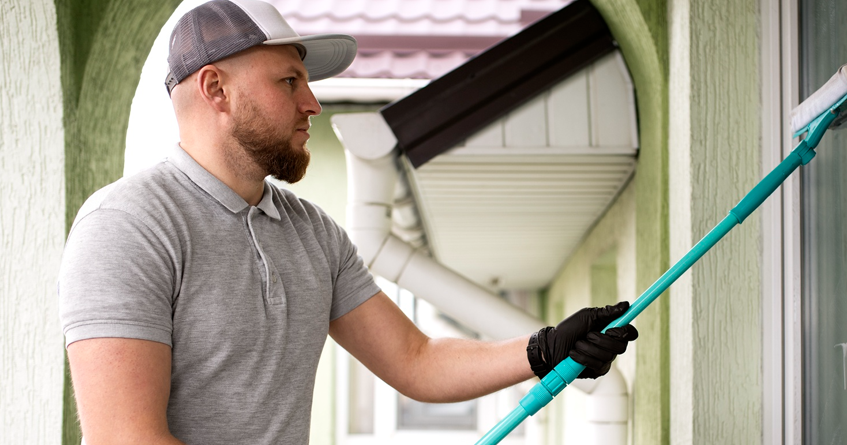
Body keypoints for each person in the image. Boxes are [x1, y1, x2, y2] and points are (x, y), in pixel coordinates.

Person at [57, 1, 639, 444]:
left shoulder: (313, 234)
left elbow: (415, 360)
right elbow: (124, 439)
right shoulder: (129, 225)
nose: (312, 103)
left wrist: (544, 349)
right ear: (216, 89)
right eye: (290, 81)